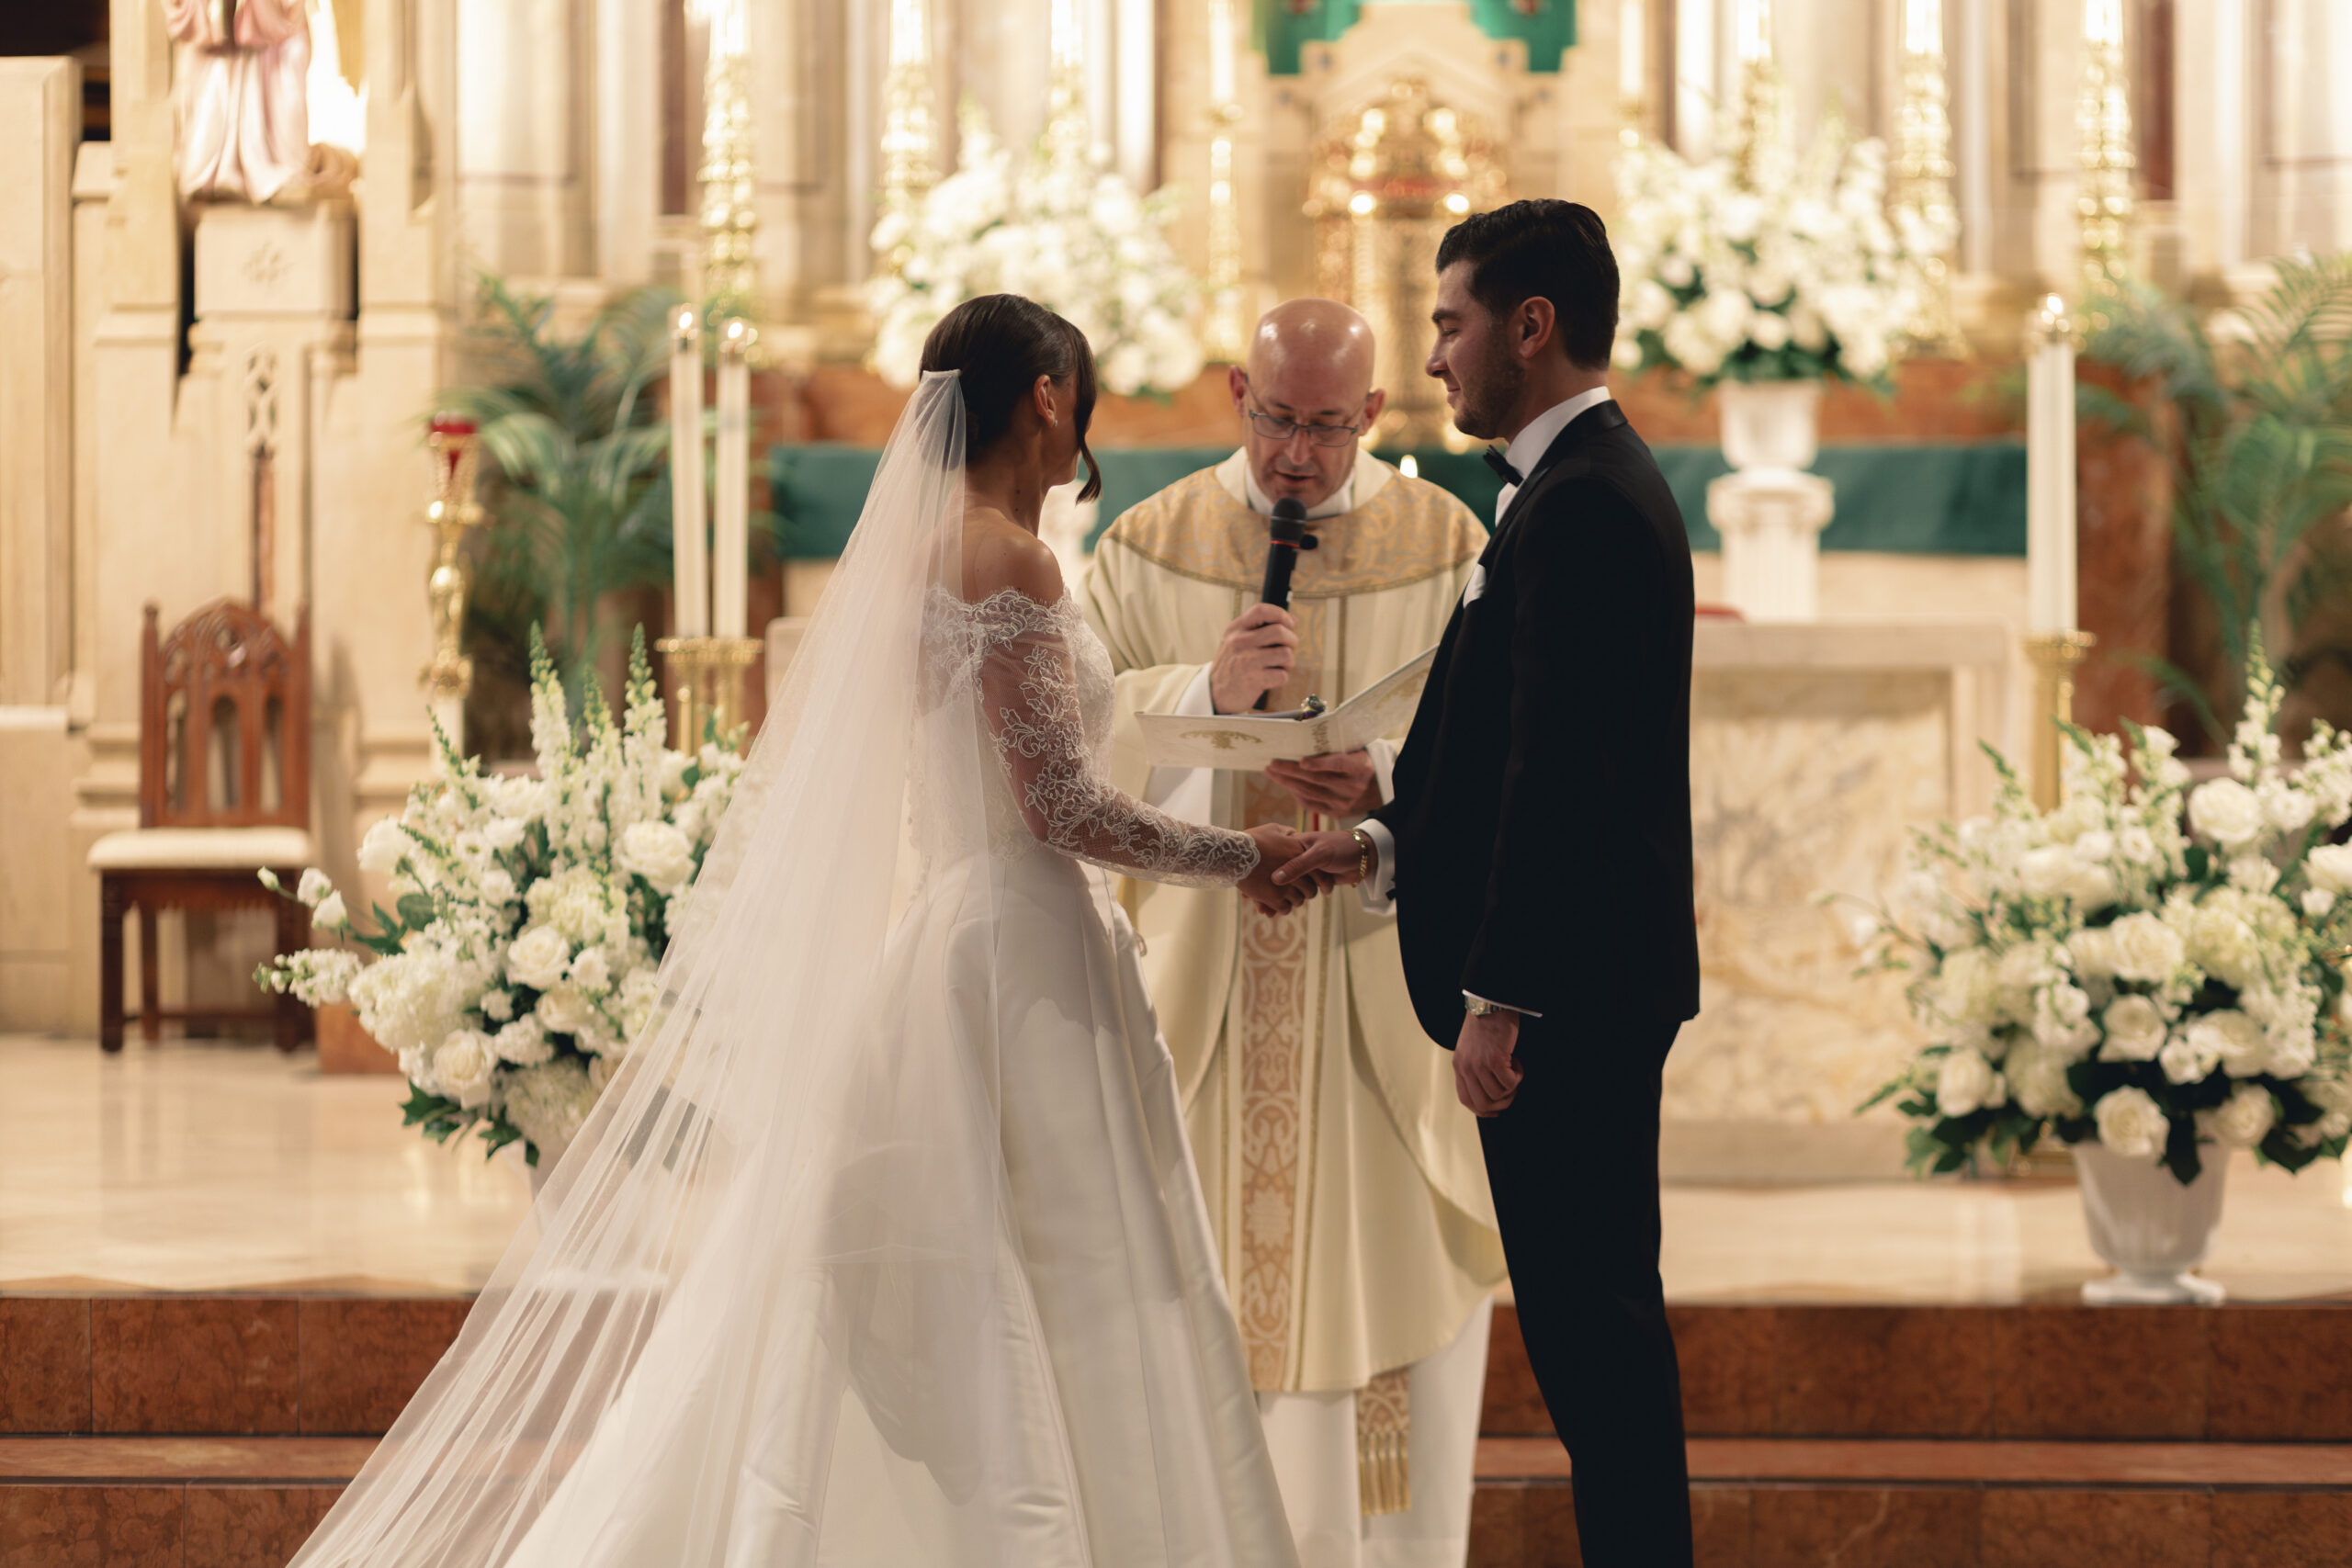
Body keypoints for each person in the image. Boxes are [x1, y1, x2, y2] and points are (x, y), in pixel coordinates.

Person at [288, 295, 1311, 1568]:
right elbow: (1053, 804)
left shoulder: (923, 553)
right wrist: (1243, 853)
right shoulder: (1007, 555)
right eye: (1078, 406)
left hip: (963, 934)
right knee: (1089, 1284)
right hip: (1026, 954)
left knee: (984, 1280)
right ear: (1048, 399)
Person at [1279, 200, 1702, 1567]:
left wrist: (1501, 997)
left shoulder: (1581, 502)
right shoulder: (1567, 488)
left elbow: (1563, 779)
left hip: (1566, 998)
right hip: (1583, 984)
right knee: (1595, 1344)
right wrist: (1388, 842)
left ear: (1533, 325)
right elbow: (1504, 747)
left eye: (1452, 323)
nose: (1439, 357)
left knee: (1598, 1348)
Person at [1080, 299, 1504, 1568]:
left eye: (1327, 427)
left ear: (1376, 413)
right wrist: (1208, 704)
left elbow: (1499, 747)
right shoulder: (1148, 550)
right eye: (1276, 421)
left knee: (1382, 1302)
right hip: (1199, 989)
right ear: (1236, 396)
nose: (1297, 458)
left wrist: (1384, 784)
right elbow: (1073, 741)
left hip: (1374, 983)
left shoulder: (1449, 546)